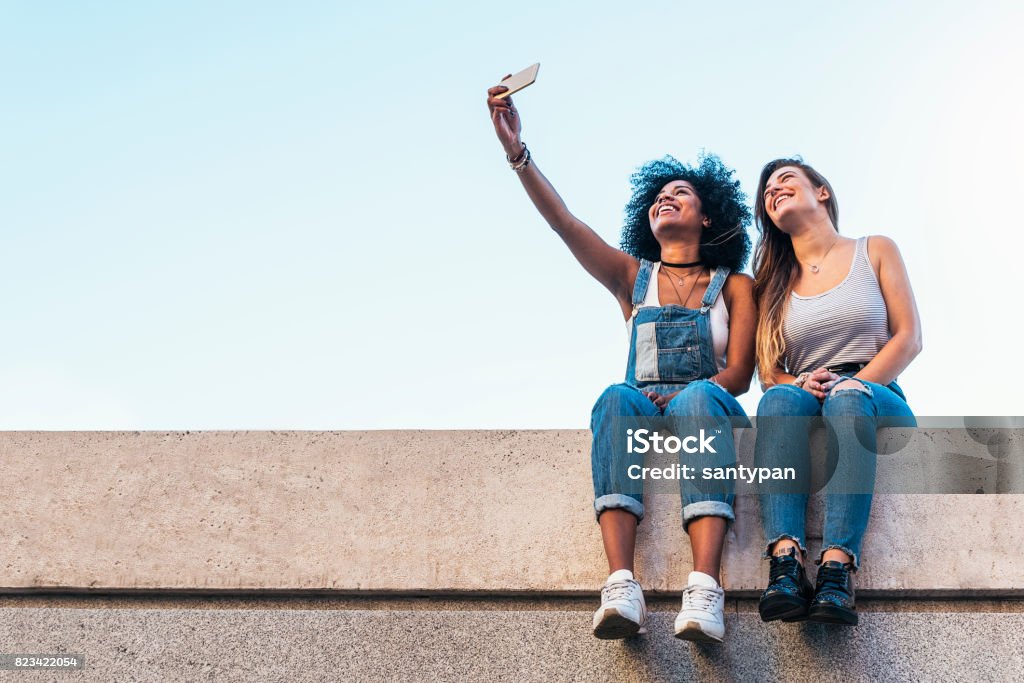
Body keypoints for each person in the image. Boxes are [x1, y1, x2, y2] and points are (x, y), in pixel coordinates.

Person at [486, 79, 755, 643]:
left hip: (704, 404)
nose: (666, 198)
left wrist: (688, 393)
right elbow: (565, 222)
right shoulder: (634, 277)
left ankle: (705, 587)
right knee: (613, 397)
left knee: (705, 394)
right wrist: (518, 153)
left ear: (708, 216)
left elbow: (739, 374)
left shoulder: (736, 286)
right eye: (659, 196)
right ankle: (621, 584)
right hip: (641, 404)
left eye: (681, 193)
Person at [751, 158, 922, 625]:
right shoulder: (774, 284)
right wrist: (797, 382)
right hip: (808, 391)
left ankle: (837, 569)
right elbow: (769, 373)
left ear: (821, 191)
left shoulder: (875, 249)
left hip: (876, 393)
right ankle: (786, 565)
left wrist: (856, 382)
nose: (773, 191)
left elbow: (908, 338)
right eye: (766, 191)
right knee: (778, 400)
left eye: (785, 180)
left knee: (848, 398)